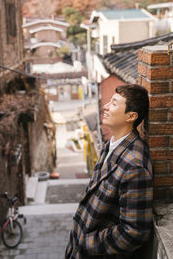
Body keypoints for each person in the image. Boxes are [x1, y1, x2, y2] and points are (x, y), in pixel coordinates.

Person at [65, 84, 153, 259]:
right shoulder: (111, 145)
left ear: (131, 116)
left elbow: (134, 232)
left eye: (114, 103)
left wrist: (86, 243)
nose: (105, 106)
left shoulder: (134, 166)